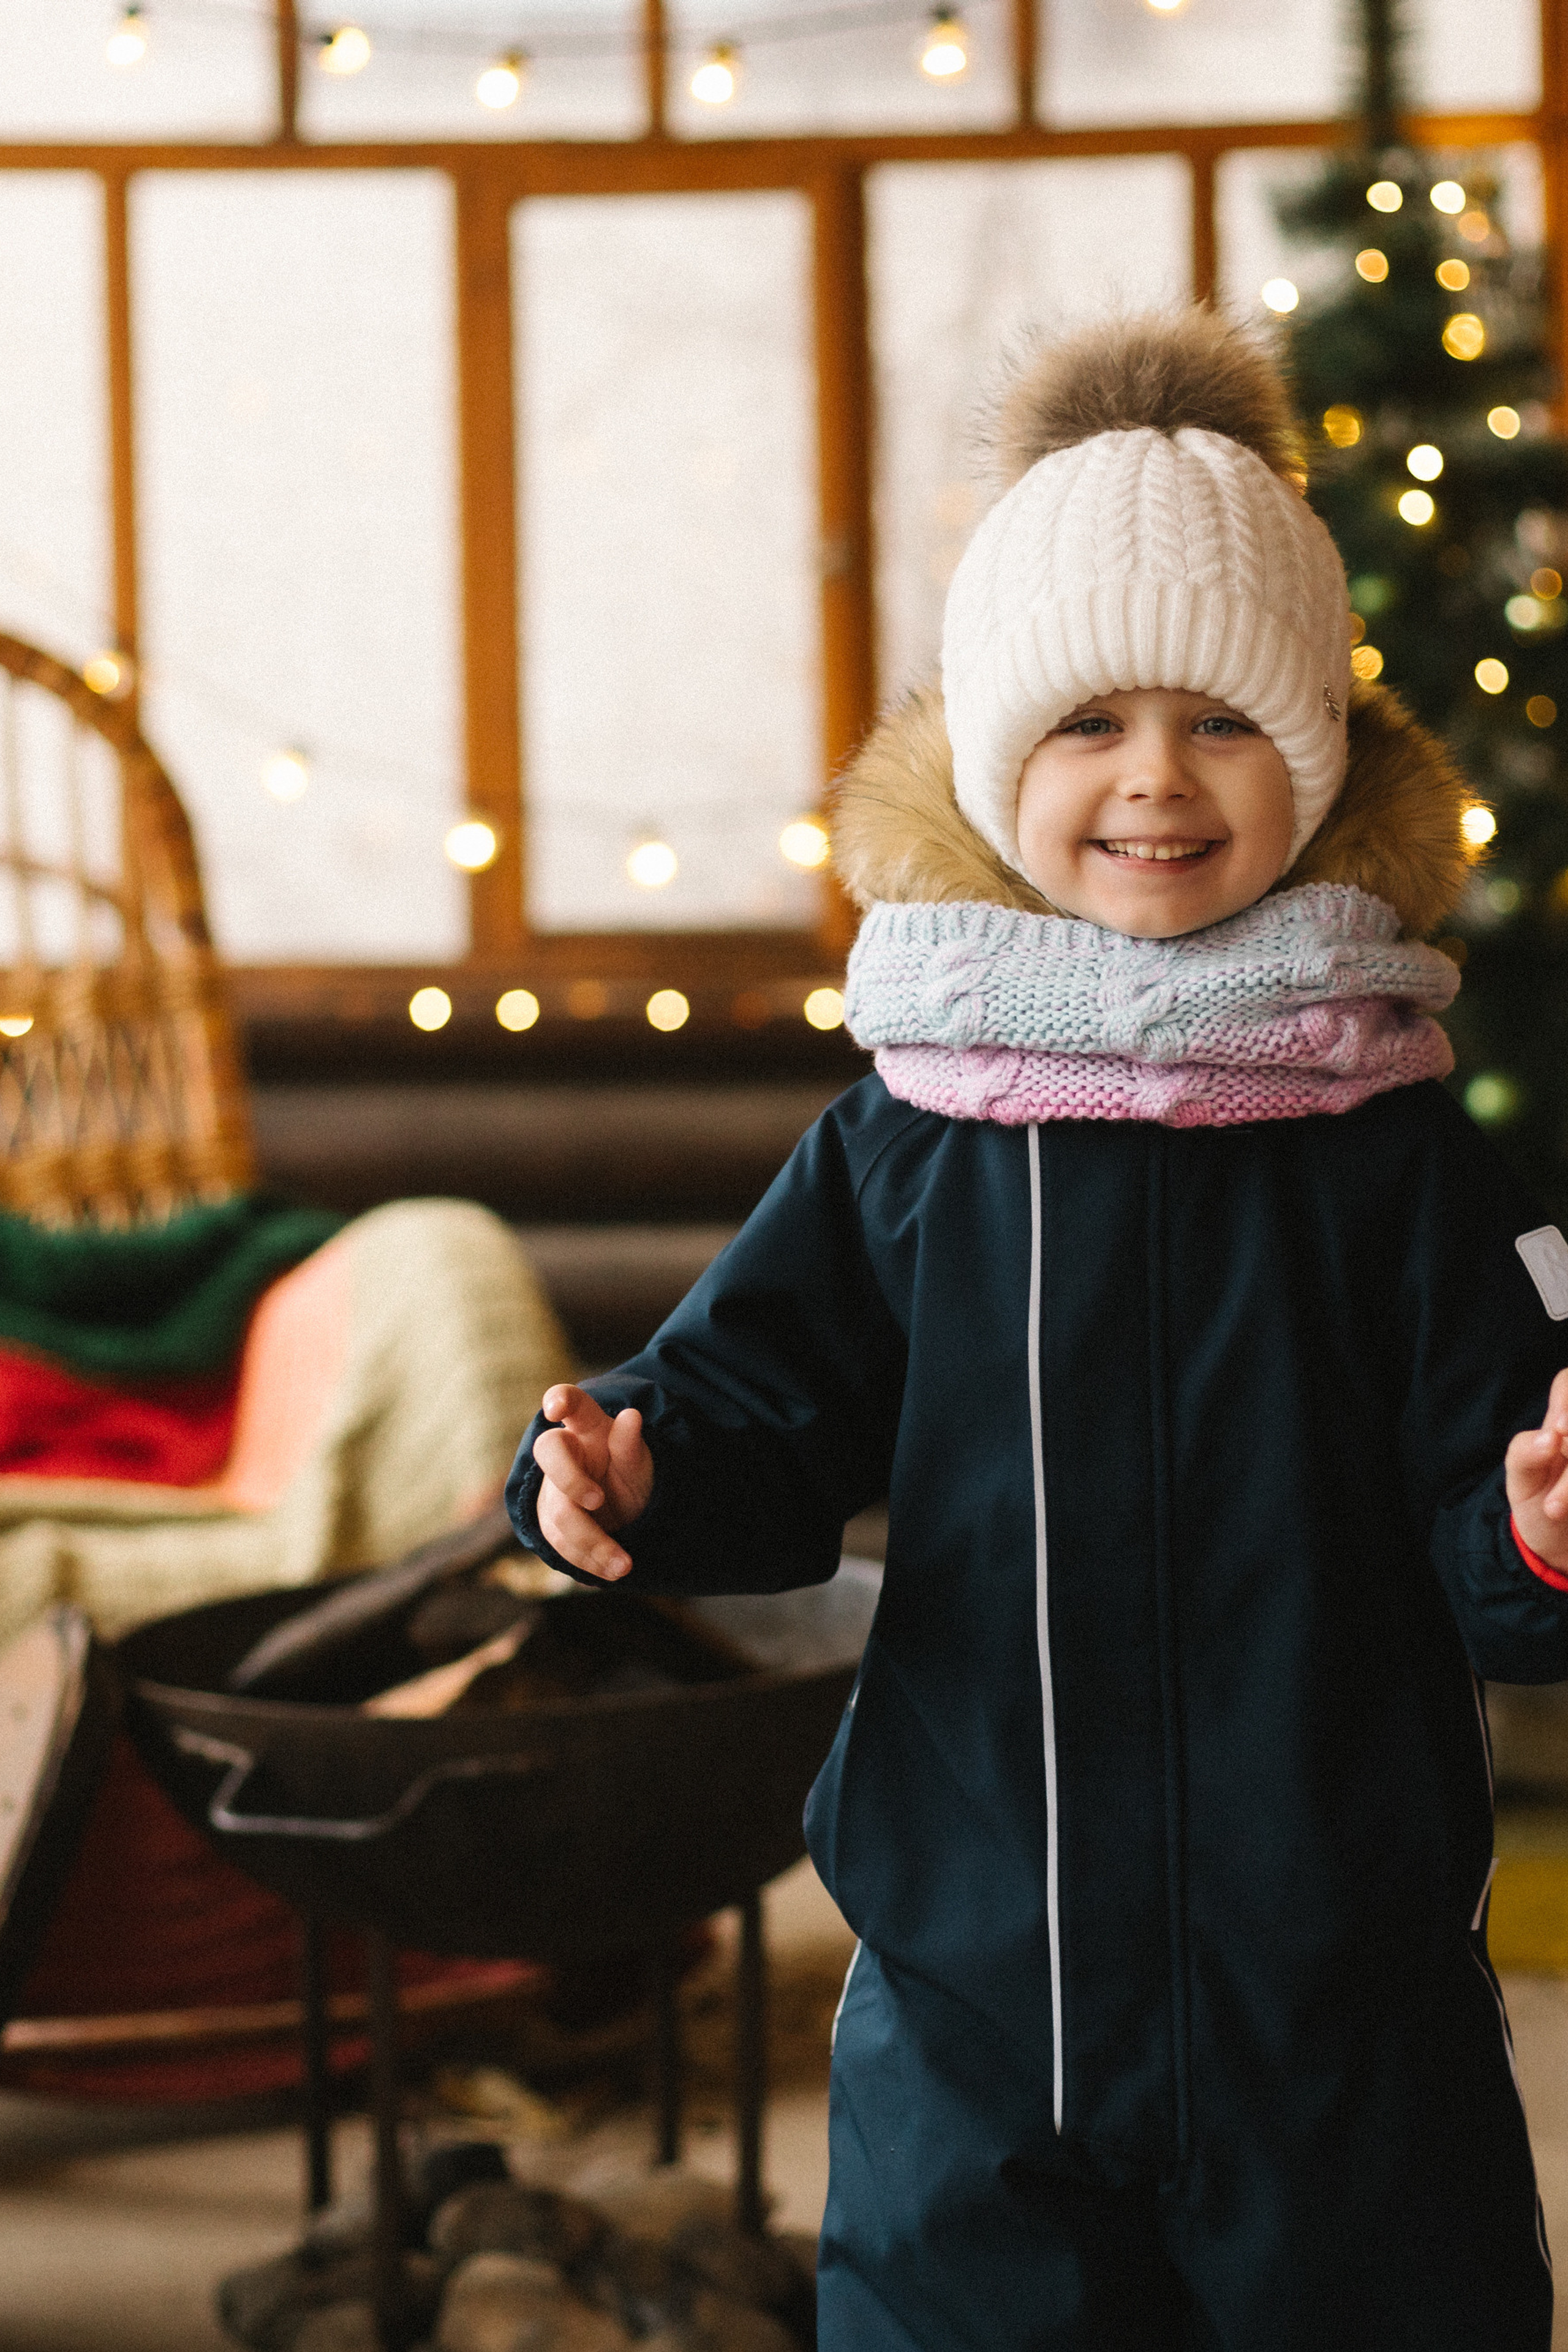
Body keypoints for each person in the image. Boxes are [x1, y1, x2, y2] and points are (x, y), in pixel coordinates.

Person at [507, 308, 1568, 2350]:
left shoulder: (1399, 1149)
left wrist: (1534, 1528)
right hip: (974, 2015)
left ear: (1315, 762)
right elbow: (753, 1411)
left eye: (1223, 720)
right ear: (999, 771)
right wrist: (633, 1471)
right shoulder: (910, 1136)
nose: (1155, 777)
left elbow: (1501, 1515)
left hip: (1337, 2032)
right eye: (1089, 723)